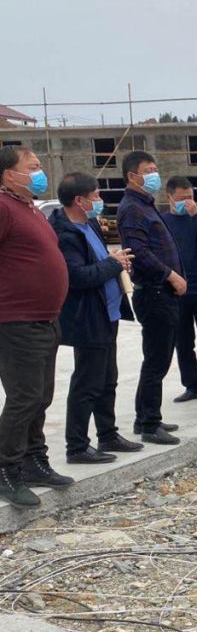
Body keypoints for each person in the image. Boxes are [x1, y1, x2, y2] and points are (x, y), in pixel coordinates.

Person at [51, 173, 143, 464]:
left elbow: (99, 262)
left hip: (108, 312)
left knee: (108, 379)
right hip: (88, 318)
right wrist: (111, 263)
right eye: (95, 196)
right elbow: (77, 276)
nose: (99, 201)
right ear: (79, 200)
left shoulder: (88, 223)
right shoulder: (65, 233)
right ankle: (76, 446)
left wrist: (113, 260)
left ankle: (108, 434)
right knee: (87, 383)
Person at [0, 145, 73, 507]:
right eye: (32, 167)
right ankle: (6, 470)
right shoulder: (2, 207)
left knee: (40, 396)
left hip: (46, 319)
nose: (40, 171)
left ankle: (34, 461)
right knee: (24, 396)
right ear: (9, 175)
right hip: (16, 321)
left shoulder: (30, 208)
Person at [116, 151, 186, 445]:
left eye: (156, 168)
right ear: (133, 176)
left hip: (162, 293)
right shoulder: (132, 209)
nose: (155, 174)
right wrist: (170, 275)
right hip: (155, 293)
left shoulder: (145, 205)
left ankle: (143, 416)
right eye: (149, 170)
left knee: (156, 358)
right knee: (156, 361)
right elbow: (139, 252)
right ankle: (149, 423)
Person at [162, 176, 197, 403]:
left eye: (190, 197)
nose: (187, 202)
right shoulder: (162, 223)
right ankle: (193, 386)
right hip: (177, 293)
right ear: (169, 198)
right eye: (182, 198)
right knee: (183, 344)